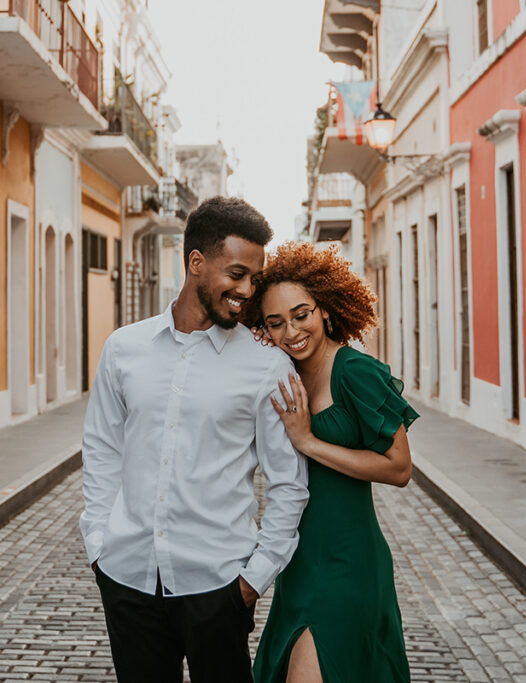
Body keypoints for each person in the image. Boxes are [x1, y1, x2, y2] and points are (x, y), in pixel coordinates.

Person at [80, 196, 310, 683]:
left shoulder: (267, 367)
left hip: (219, 586)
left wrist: (252, 580)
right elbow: (101, 448)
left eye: (254, 279)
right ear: (195, 263)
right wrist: (99, 544)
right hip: (128, 578)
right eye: (236, 274)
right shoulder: (124, 348)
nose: (246, 290)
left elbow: (289, 483)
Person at [243, 241, 418, 683]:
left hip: (350, 561)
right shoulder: (282, 371)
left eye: (301, 314)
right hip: (299, 561)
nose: (292, 332)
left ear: (324, 308)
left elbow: (399, 468)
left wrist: (308, 441)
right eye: (276, 323)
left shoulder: (356, 371)